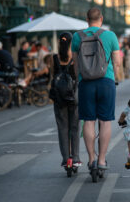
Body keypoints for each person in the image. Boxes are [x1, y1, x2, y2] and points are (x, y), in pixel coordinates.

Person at [72, 7, 120, 171]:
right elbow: (117, 62)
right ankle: (101, 160)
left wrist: (79, 80)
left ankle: (91, 159)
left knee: (88, 121)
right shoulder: (110, 35)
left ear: (87, 19)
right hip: (106, 81)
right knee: (105, 121)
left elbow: (76, 64)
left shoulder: (77, 37)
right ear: (101, 18)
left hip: (86, 83)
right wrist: (116, 78)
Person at [51, 32, 81, 168]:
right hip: (73, 96)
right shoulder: (74, 57)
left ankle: (65, 159)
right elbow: (79, 75)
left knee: (62, 128)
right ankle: (75, 158)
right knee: (74, 128)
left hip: (59, 98)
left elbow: (52, 76)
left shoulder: (54, 58)